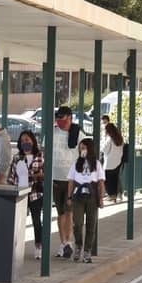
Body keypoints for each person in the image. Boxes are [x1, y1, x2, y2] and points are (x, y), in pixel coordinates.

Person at [51, 105, 83, 259]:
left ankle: (68, 241)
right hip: (56, 178)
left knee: (69, 211)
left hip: (72, 180)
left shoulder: (78, 134)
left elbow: (85, 154)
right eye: (58, 117)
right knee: (60, 212)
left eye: (62, 117)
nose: (59, 120)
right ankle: (63, 243)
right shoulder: (52, 132)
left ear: (70, 118)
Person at [67, 138, 104, 264]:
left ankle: (87, 250)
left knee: (91, 224)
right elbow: (71, 181)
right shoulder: (75, 164)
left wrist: (101, 198)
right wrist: (69, 197)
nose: (82, 150)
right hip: (78, 196)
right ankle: (78, 245)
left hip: (92, 196)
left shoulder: (97, 164)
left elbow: (100, 182)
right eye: (80, 148)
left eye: (84, 148)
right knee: (77, 223)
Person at [8, 130, 45, 259]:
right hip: (20, 193)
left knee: (36, 220)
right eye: (23, 140)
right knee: (18, 222)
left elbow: (44, 174)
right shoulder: (17, 158)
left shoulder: (40, 156)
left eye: (27, 140)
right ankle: (16, 247)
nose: (25, 143)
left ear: (33, 141)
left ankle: (38, 246)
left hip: (35, 193)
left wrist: (38, 176)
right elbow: (12, 177)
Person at [101, 122, 124, 202]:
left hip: (109, 162)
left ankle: (111, 195)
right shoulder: (120, 138)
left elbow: (104, 150)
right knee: (114, 179)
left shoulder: (109, 139)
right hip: (118, 161)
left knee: (107, 180)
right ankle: (115, 195)